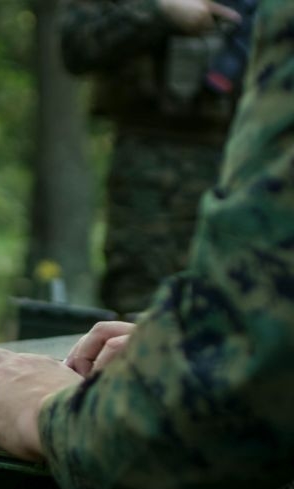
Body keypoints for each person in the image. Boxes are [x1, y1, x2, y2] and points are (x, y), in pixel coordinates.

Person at [0, 0, 294, 489]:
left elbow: (163, 464)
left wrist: (50, 414)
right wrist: (195, 351)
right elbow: (78, 41)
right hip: (154, 170)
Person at [60, 0, 251, 315]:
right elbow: (75, 44)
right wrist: (159, 12)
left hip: (247, 161)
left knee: (238, 302)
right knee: (140, 302)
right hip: (152, 164)